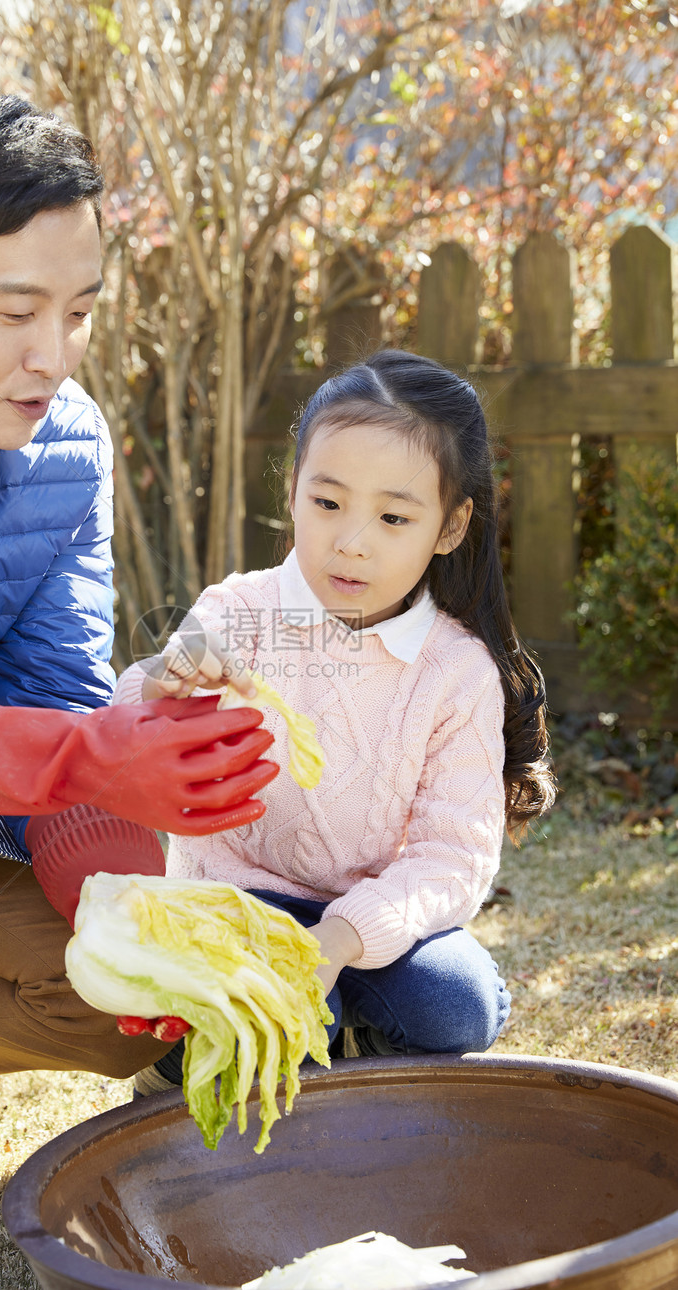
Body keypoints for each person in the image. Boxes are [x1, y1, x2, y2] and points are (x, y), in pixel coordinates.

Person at [0, 81, 278, 1264]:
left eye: (79, 310)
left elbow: (58, 699)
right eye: (16, 308)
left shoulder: (62, 444)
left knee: (103, 989)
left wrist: (141, 927)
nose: (53, 354)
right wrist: (81, 754)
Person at [111, 348, 557, 1094]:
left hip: (365, 920)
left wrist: (340, 943)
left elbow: (452, 857)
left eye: (392, 516)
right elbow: (128, 734)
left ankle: (354, 1031)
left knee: (459, 1005)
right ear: (291, 492)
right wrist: (164, 685)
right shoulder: (241, 613)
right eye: (328, 503)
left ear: (449, 527)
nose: (352, 540)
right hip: (237, 896)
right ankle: (188, 1066)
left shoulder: (456, 671)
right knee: (284, 1030)